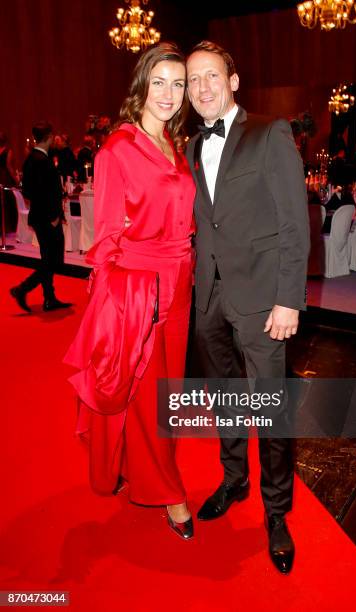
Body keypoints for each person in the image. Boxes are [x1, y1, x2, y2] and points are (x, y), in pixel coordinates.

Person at [186, 41, 309, 572]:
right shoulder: (190, 146)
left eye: (212, 76)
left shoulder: (268, 132)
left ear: (233, 82)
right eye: (193, 81)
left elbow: (293, 225)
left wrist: (288, 299)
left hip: (264, 302)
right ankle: (234, 480)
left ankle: (277, 513)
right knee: (227, 401)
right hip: (208, 299)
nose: (202, 88)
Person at [64, 43, 196, 539]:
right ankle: (170, 493)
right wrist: (119, 304)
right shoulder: (118, 149)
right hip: (141, 291)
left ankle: (140, 468)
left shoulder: (174, 145)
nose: (169, 93)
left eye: (178, 84)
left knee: (169, 398)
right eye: (159, 82)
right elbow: (106, 241)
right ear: (141, 86)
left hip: (181, 285)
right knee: (144, 399)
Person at [10, 121, 72, 313]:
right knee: (54, 261)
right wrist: (53, 216)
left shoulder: (32, 159)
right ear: (48, 137)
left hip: (40, 217)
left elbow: (28, 190)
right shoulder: (40, 161)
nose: (54, 138)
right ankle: (23, 289)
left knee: (48, 259)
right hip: (47, 218)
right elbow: (42, 192)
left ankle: (49, 298)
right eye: (52, 136)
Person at [0, 131, 19, 233]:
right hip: (5, 178)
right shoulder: (8, 151)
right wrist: (16, 180)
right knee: (8, 202)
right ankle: (9, 227)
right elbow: (9, 167)